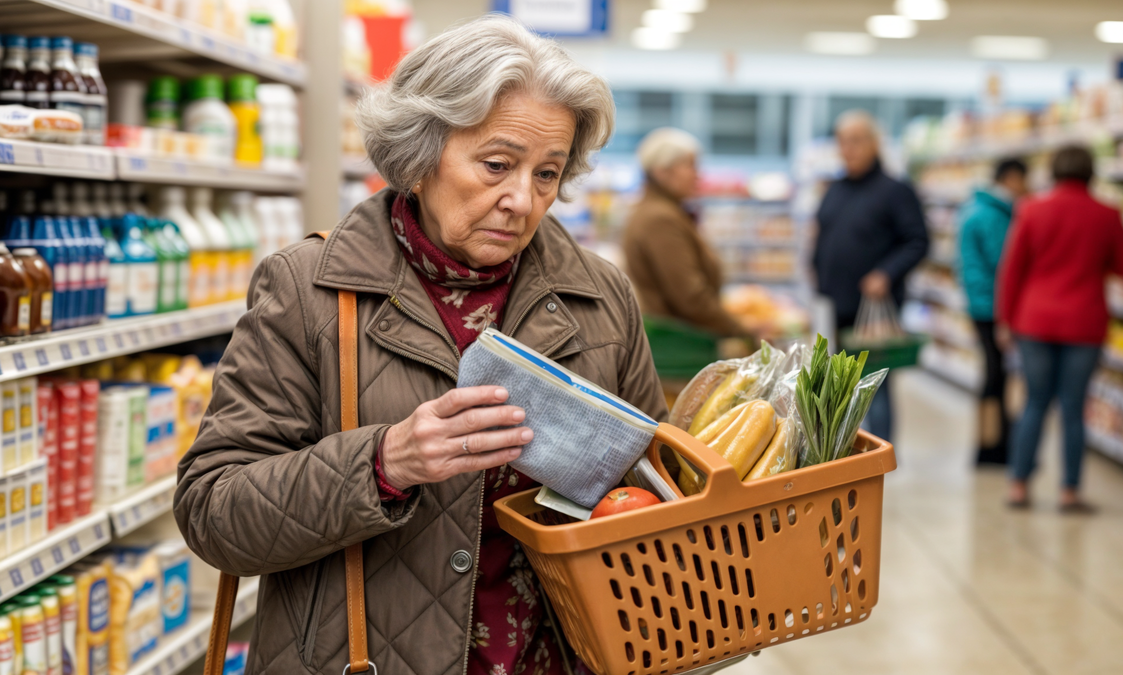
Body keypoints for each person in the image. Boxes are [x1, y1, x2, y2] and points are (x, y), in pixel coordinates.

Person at [174, 17, 666, 675]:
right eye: (497, 164)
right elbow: (213, 511)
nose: (521, 199)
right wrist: (383, 462)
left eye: (547, 174)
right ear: (423, 148)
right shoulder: (309, 291)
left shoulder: (602, 299)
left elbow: (656, 504)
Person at [998, 145, 1123, 512]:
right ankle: (1069, 492)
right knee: (1074, 407)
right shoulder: (1107, 214)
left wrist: (1005, 320)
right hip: (1084, 321)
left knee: (1035, 402)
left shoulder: (1031, 209)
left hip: (1034, 320)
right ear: (1091, 172)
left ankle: (1019, 486)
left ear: (1052, 171)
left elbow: (1012, 270)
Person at [813, 110, 929, 442]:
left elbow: (917, 241)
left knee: (873, 385)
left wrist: (885, 272)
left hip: (872, 310)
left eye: (856, 140)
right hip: (834, 304)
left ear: (875, 144)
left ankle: (881, 454)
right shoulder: (835, 189)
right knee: (840, 386)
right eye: (842, 141)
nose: (848, 148)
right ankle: (847, 450)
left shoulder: (895, 191)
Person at [622, 127, 749, 336]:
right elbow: (690, 298)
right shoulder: (660, 219)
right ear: (662, 172)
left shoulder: (660, 211)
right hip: (679, 341)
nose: (698, 175)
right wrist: (742, 331)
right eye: (691, 166)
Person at [958, 158, 1029, 466]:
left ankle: (992, 444)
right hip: (992, 305)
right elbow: (1005, 264)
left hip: (980, 302)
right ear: (1011, 179)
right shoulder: (994, 215)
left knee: (994, 373)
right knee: (996, 376)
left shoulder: (976, 208)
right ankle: (993, 448)